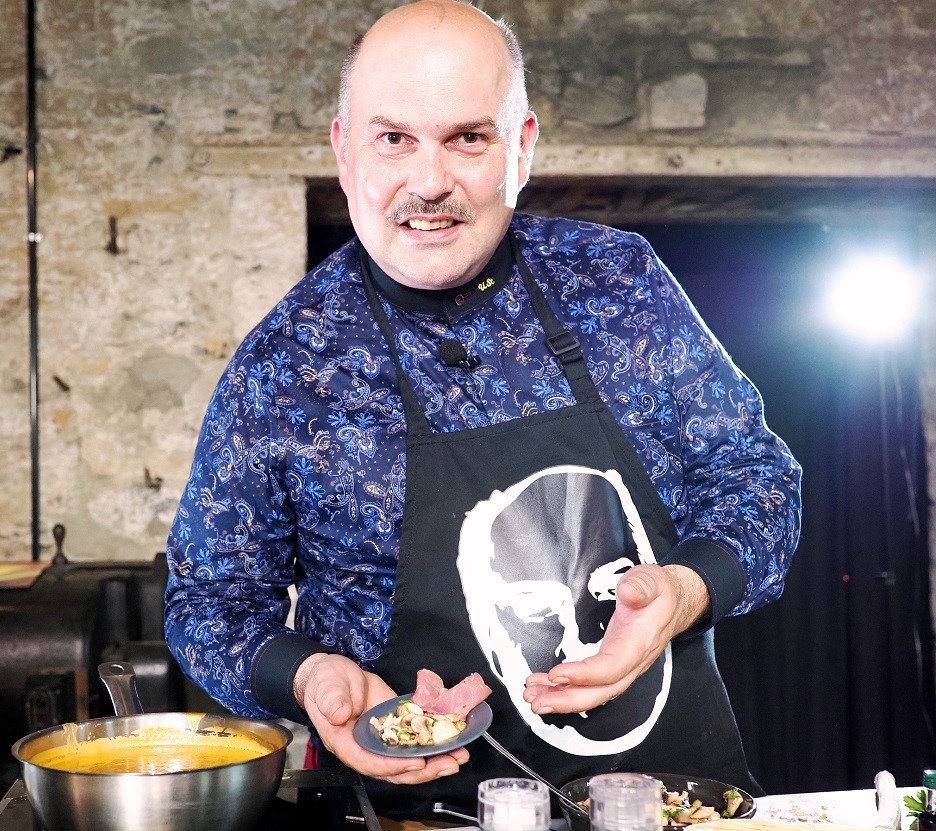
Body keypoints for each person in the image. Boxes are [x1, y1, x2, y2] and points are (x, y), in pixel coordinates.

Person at [164, 0, 802, 819]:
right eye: (394, 138)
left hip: (668, 803)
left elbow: (756, 477)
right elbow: (210, 600)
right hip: (409, 813)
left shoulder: (618, 285)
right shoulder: (285, 366)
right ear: (344, 150)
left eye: (468, 137)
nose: (429, 183)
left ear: (523, 146)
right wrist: (304, 673)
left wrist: (684, 588)